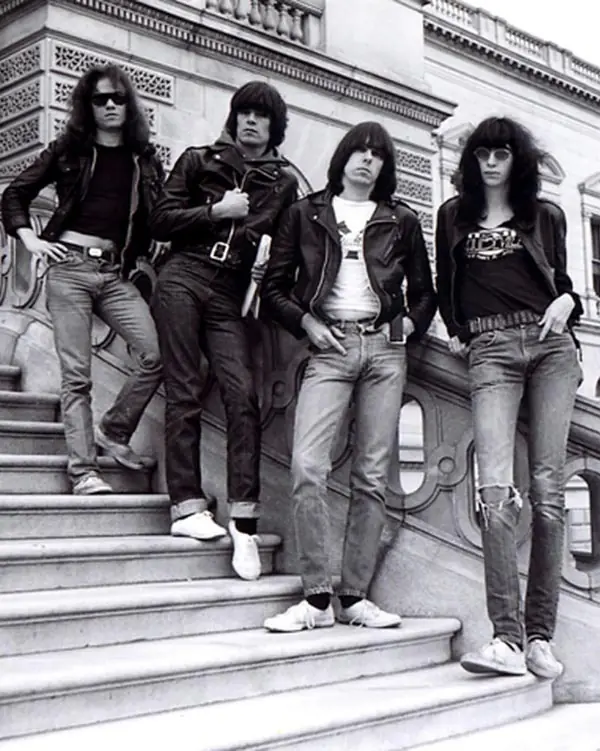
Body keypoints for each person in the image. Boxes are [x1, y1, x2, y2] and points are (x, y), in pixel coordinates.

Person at [261, 121, 436, 632]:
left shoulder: (401, 220)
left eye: (377, 154)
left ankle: (355, 597)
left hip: (384, 352)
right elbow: (274, 287)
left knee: (372, 477)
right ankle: (317, 599)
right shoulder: (305, 213)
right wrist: (308, 324)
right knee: (307, 467)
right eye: (359, 151)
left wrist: (401, 330)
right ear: (343, 158)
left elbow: (424, 293)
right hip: (329, 348)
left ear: (385, 166)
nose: (367, 160)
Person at [435, 116, 583, 679]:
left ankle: (540, 636)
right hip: (491, 350)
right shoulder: (453, 215)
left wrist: (570, 302)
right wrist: (456, 328)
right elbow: (445, 279)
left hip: (549, 348)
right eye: (483, 154)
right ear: (471, 161)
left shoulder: (544, 215)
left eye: (502, 153)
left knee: (547, 492)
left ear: (517, 160)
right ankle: (506, 639)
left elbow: (562, 286)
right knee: (494, 490)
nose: (492, 162)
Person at [149, 81, 298, 580]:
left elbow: (289, 245)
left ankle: (244, 522)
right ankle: (187, 506)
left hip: (232, 289)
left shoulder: (282, 182)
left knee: (243, 396)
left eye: (261, 114)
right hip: (184, 273)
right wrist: (216, 211)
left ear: (275, 126)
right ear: (234, 119)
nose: (251, 121)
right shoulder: (199, 160)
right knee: (185, 388)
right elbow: (160, 220)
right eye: (244, 112)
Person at [1, 64, 164, 495]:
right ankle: (84, 471)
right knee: (77, 377)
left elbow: (163, 217)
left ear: (129, 105)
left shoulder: (144, 160)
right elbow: (14, 193)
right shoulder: (68, 151)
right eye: (100, 99)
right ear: (87, 106)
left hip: (114, 273)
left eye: (118, 98)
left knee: (154, 354)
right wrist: (30, 239)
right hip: (69, 269)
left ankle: (114, 429)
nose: (110, 105)